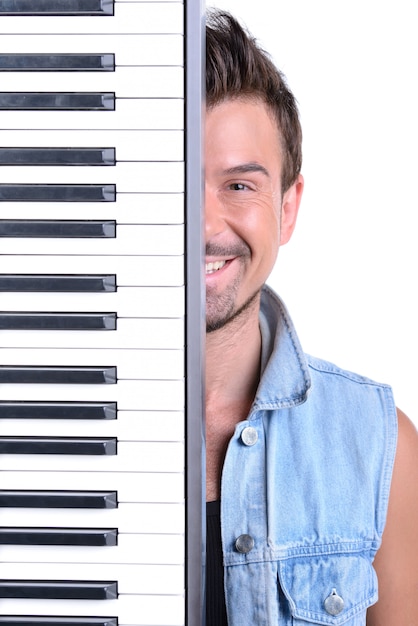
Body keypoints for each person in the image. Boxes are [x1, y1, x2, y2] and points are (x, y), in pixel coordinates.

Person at [204, 9, 418, 626]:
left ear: (287, 208)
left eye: (240, 186)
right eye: (178, 184)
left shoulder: (381, 450)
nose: (206, 224)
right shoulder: (38, 431)